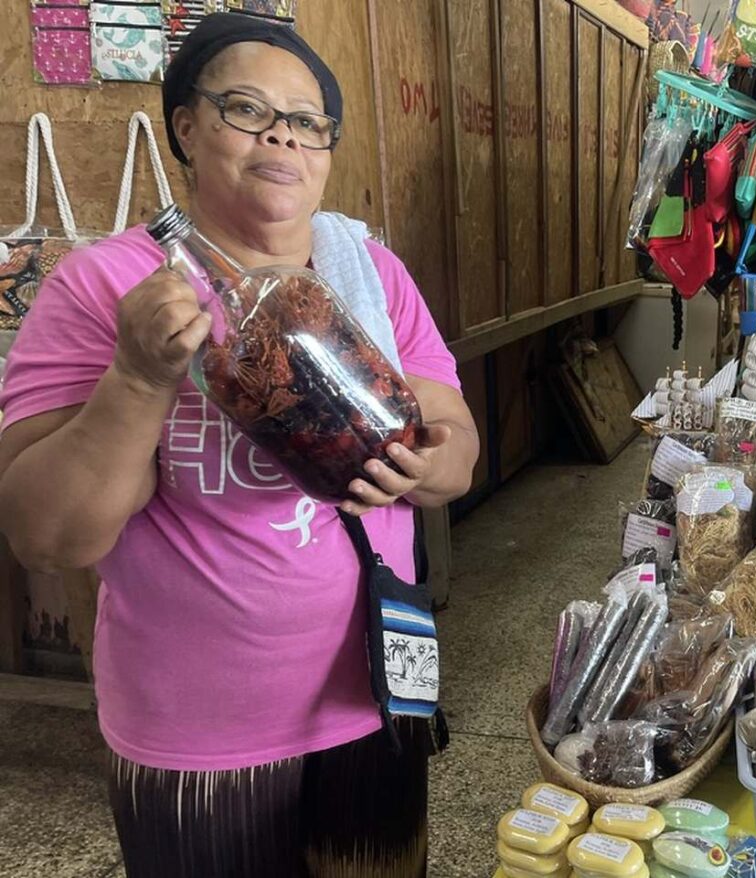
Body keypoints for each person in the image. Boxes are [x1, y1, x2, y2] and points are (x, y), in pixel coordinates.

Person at [0, 14, 478, 878]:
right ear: (186, 125)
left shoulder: (367, 270)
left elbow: (456, 446)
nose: (282, 137)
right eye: (248, 109)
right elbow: (47, 535)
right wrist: (140, 378)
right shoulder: (105, 287)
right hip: (197, 735)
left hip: (377, 688)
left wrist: (432, 466)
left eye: (308, 122)